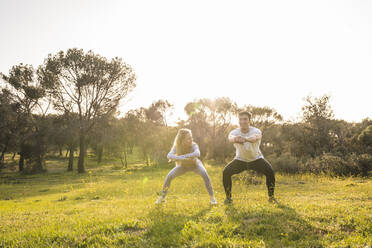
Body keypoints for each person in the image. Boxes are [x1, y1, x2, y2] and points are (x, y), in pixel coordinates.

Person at [223, 111, 278, 204]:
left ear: (249, 121)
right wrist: (236, 139)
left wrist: (244, 139)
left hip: (256, 159)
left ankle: (271, 197)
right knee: (226, 172)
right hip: (240, 160)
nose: (243, 121)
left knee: (270, 171)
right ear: (238, 121)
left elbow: (254, 138)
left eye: (245, 119)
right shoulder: (234, 132)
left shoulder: (256, 131)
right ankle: (228, 198)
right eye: (240, 119)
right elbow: (230, 139)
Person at [155, 128, 217, 205]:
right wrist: (181, 158)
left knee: (204, 174)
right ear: (182, 140)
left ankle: (212, 198)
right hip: (183, 167)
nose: (191, 140)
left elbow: (197, 153)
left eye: (191, 137)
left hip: (195, 165)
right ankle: (162, 197)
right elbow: (169, 155)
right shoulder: (177, 146)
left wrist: (181, 157)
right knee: (169, 176)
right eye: (188, 138)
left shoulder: (194, 145)